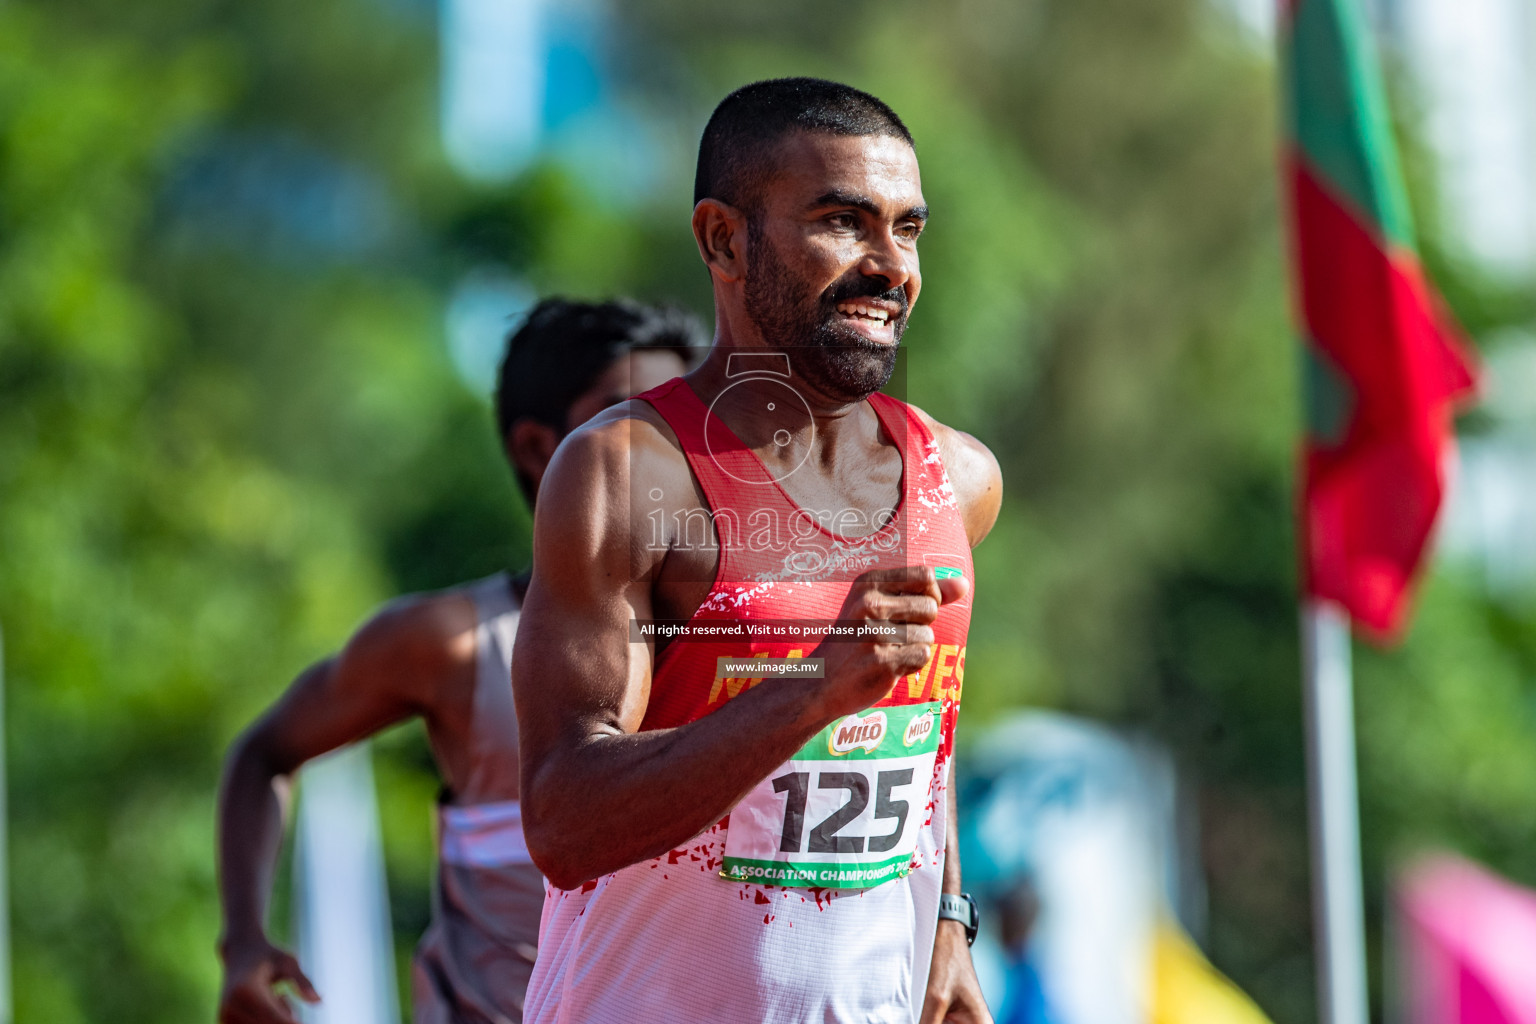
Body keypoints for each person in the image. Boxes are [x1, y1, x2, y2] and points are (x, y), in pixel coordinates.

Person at [515, 78, 1003, 1024]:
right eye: (842, 222)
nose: (888, 265)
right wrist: (808, 690)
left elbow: (920, 735)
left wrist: (947, 919)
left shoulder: (959, 480)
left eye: (908, 230)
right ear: (724, 239)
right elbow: (565, 820)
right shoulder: (628, 476)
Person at [215, 298, 703, 1024]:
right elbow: (266, 753)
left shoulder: (746, 644)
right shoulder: (458, 643)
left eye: (685, 423)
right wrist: (246, 944)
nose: (671, 453)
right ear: (540, 450)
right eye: (631, 421)